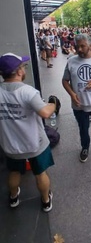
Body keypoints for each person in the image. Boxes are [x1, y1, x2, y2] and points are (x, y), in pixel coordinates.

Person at [0, 53, 55, 212]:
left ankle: (13, 197)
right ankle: (45, 201)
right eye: (23, 67)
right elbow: (45, 113)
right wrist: (53, 104)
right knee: (40, 173)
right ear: (18, 71)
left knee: (14, 171)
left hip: (11, 145)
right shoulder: (27, 92)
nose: (24, 69)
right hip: (34, 144)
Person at [62, 33, 91, 163]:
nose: (80, 50)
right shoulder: (71, 61)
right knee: (83, 128)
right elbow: (65, 81)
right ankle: (85, 148)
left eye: (83, 46)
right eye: (77, 47)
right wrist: (72, 94)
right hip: (78, 104)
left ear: (90, 45)